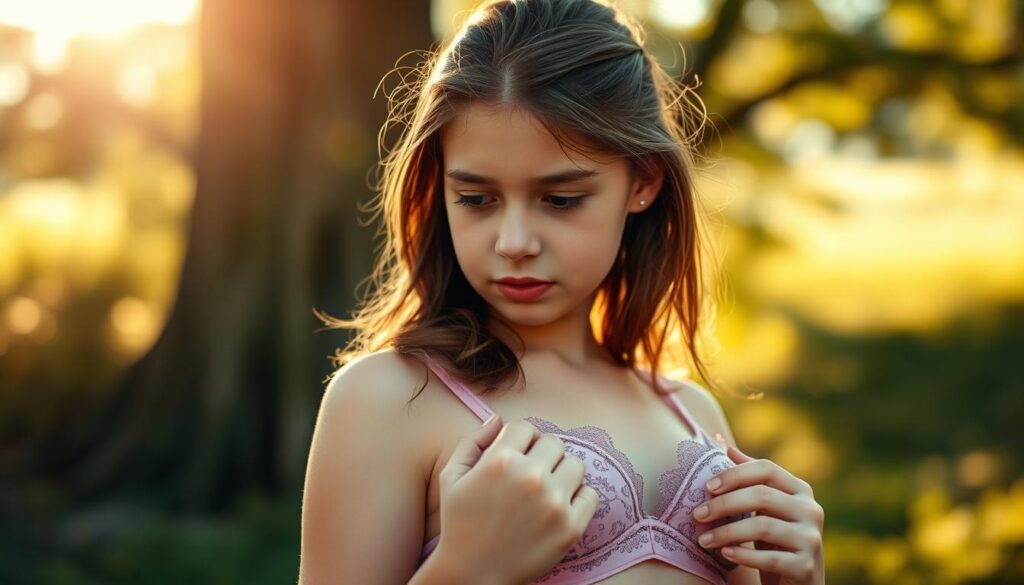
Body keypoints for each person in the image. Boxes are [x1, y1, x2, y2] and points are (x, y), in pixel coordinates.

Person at [298, 0, 825, 584]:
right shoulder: (389, 398)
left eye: (560, 199)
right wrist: (467, 570)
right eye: (476, 199)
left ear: (643, 181)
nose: (514, 242)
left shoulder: (692, 412)